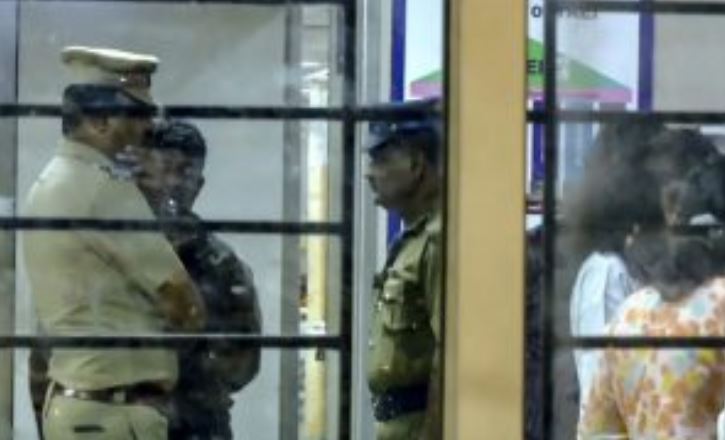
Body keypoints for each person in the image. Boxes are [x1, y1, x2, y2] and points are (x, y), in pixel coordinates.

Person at [22, 46, 205, 440]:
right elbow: (183, 302)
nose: (147, 129)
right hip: (114, 415)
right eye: (137, 116)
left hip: (78, 406)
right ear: (99, 121)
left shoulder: (51, 181)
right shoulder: (102, 189)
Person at [565, 125, 717, 421]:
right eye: (673, 199)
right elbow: (600, 389)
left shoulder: (671, 266)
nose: (681, 215)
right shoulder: (609, 271)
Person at [137, 119, 262, 439]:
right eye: (165, 169)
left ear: (199, 184)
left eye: (186, 172)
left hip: (199, 425)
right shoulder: (115, 252)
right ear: (143, 177)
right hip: (130, 422)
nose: (174, 182)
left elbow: (244, 365)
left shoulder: (221, 264)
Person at [365, 99, 443, 440]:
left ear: (416, 164)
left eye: (381, 160)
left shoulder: (439, 241)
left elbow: (449, 358)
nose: (369, 173)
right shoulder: (411, 240)